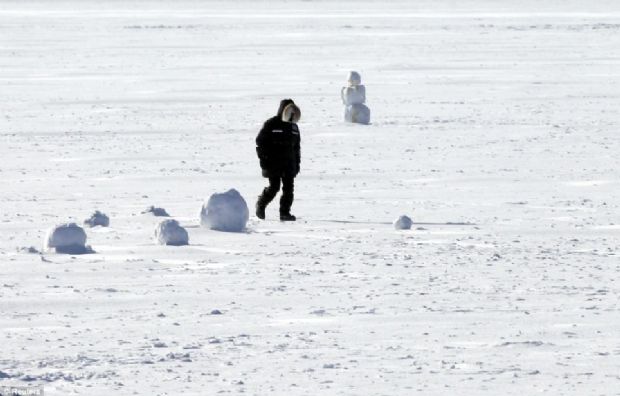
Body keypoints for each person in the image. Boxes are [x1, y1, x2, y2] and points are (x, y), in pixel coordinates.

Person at [255, 99, 301, 221]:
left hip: (289, 164)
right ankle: (261, 204)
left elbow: (296, 148)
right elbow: (260, 142)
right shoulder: (271, 124)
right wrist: (264, 160)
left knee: (288, 190)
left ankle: (285, 213)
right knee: (274, 187)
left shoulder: (294, 127)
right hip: (273, 163)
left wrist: (297, 164)